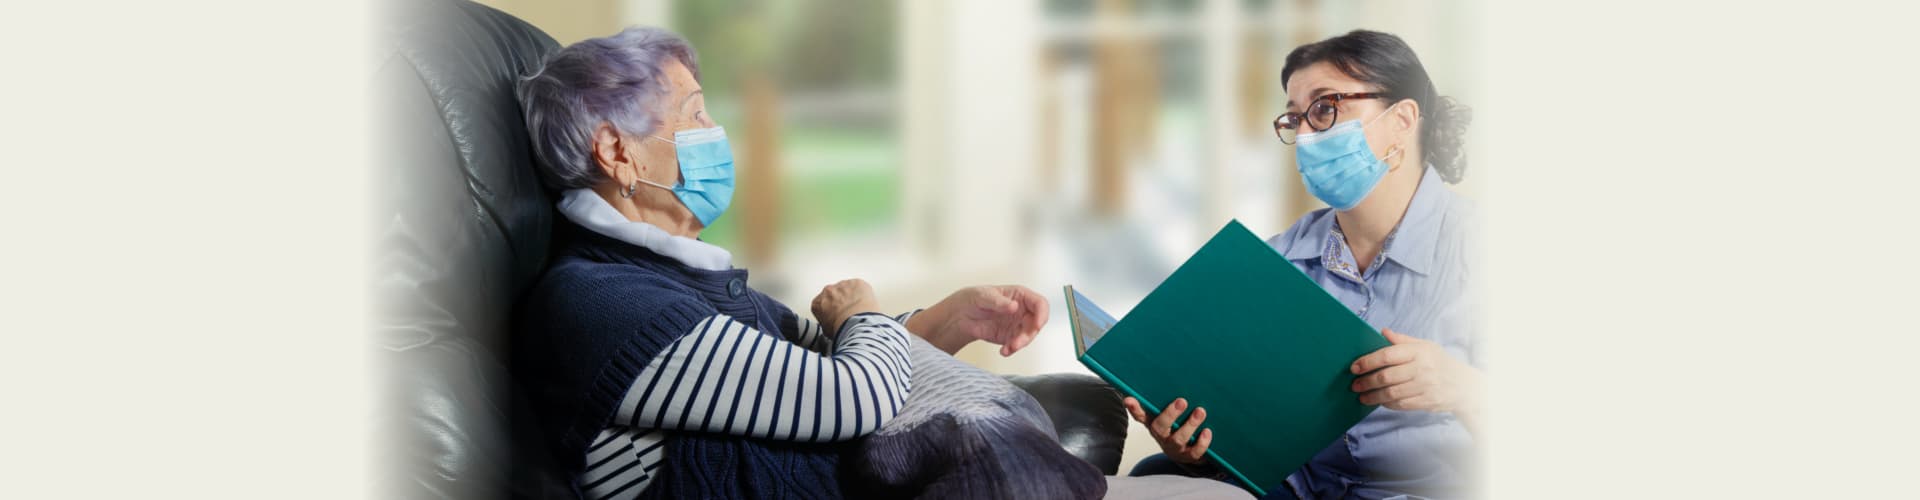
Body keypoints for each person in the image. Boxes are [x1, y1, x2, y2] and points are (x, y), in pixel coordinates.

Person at [509, 27, 1051, 499]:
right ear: (617, 151)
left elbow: (817, 364)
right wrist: (861, 313)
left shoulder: (677, 281)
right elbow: (856, 396)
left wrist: (950, 320)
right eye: (695, 113)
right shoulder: (603, 305)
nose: (715, 131)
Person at [1123, 30, 1484, 499]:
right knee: (1153, 477)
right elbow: (1245, 414)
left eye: (1325, 108)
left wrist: (1465, 389)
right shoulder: (1277, 259)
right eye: (1296, 118)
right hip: (1292, 487)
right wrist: (1193, 445)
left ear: (1403, 120)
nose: (1306, 135)